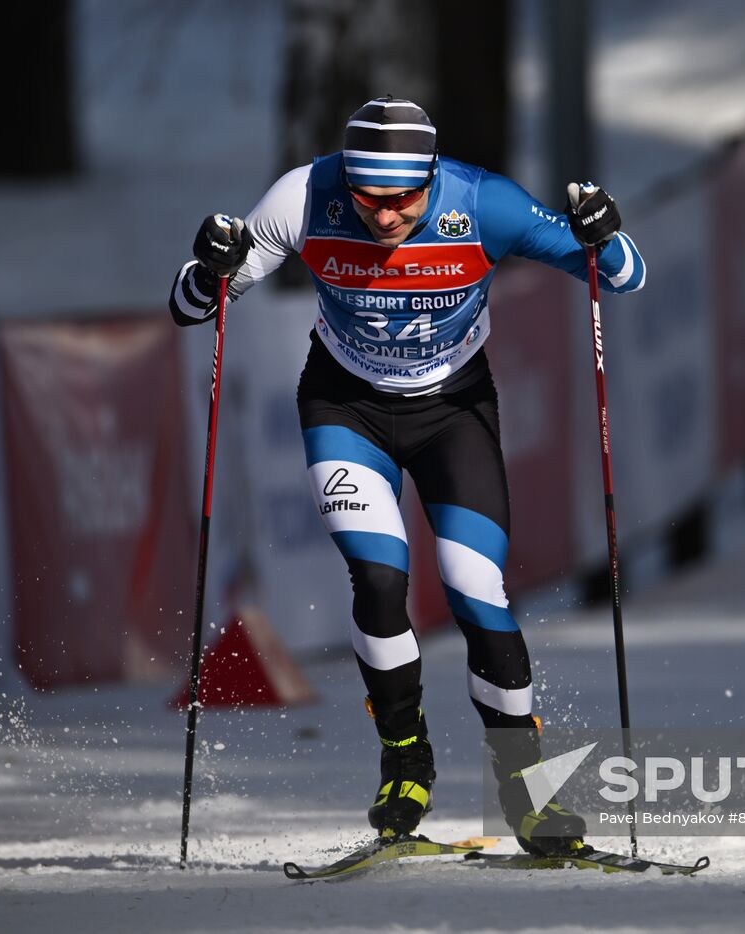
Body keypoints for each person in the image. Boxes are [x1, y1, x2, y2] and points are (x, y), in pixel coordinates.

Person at [170, 96, 644, 856]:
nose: (386, 217)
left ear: (431, 178)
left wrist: (605, 237)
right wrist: (210, 269)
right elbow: (196, 305)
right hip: (345, 404)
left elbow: (620, 276)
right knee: (380, 579)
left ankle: (523, 787)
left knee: (473, 589)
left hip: (455, 410)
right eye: (368, 199)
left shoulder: (484, 203)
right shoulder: (304, 196)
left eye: (404, 200)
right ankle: (404, 759)